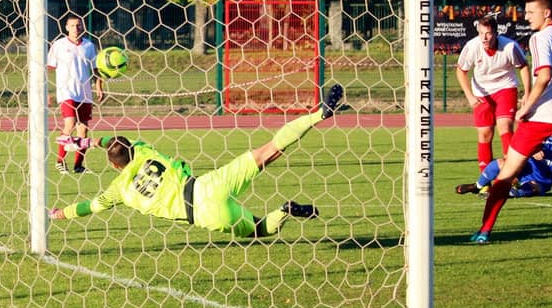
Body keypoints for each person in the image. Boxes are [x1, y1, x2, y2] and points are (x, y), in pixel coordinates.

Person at [49, 85, 345, 238]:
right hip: (206, 185)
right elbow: (116, 141)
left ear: (115, 166)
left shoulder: (119, 189)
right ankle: (320, 114)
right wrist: (90, 141)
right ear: (131, 149)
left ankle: (284, 211)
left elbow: (90, 207)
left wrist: (60, 214)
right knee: (268, 151)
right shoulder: (144, 151)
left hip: (204, 214)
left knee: (258, 230)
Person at [470, 0, 552, 243]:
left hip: (545, 115)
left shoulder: (540, 38)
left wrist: (526, 107)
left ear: (547, 13)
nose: (526, 17)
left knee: (508, 172)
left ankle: (484, 231)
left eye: (531, 12)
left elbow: (544, 75)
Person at [455, 14, 531, 171]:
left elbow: (523, 66)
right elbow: (461, 71)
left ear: (496, 33)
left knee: (505, 126)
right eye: (481, 33)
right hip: (481, 92)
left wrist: (527, 93)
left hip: (505, 88)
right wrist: (470, 96)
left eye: (488, 33)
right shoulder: (472, 47)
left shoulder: (510, 47)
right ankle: (485, 179)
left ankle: (512, 173)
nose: (484, 38)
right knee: (484, 133)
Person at [47, 15, 103, 174]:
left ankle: (78, 166)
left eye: (78, 25)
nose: (75, 28)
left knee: (83, 130)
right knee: (70, 124)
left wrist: (99, 86)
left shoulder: (89, 46)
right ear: (66, 28)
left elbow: (96, 69)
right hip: (67, 92)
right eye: (72, 25)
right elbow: (49, 68)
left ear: (82, 27)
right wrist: (46, 92)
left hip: (85, 93)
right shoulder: (58, 45)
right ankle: (60, 161)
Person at [455, 135, 552, 198]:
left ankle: (493, 194)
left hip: (540, 180)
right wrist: (532, 150)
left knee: (532, 188)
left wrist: (547, 154)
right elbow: (521, 142)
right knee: (499, 163)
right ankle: (477, 186)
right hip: (524, 168)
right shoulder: (539, 129)